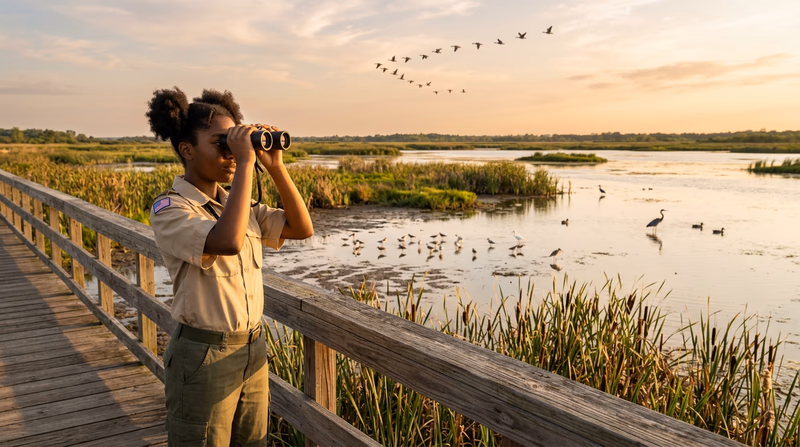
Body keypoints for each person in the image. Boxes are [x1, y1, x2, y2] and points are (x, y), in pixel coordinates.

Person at [145, 87, 313, 446]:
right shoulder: (171, 209)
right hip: (202, 354)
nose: (231, 155)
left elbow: (301, 228)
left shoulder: (239, 206)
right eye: (221, 144)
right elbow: (229, 241)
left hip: (252, 347)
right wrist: (246, 166)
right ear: (186, 150)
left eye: (235, 144)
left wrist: (276, 167)